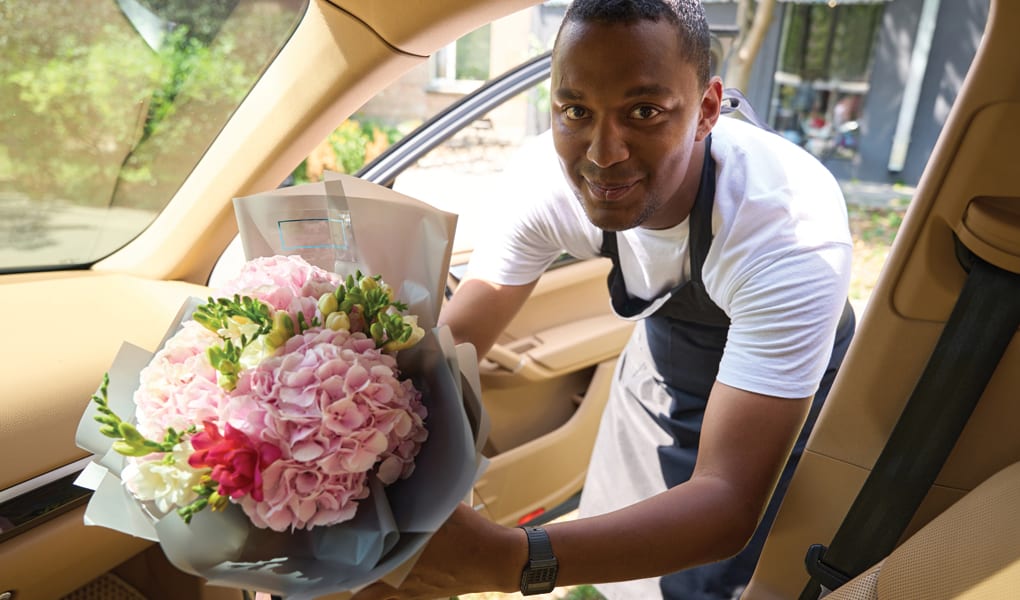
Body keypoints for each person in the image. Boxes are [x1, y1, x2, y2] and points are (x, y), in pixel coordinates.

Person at [354, 0, 854, 598]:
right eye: (575, 110)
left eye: (643, 111)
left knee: (712, 586)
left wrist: (513, 560)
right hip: (659, 368)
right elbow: (452, 353)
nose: (601, 153)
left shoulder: (786, 232)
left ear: (707, 110)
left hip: (775, 396)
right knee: (620, 577)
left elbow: (727, 501)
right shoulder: (543, 183)